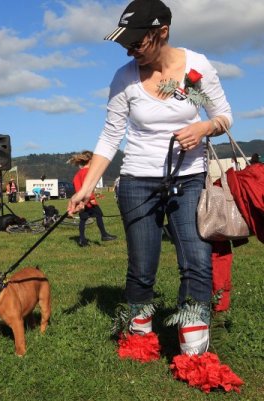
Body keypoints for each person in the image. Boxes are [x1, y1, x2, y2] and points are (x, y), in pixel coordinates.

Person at [68, 0, 232, 356]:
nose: (129, 51)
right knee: (143, 266)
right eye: (125, 44)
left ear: (162, 33)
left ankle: (194, 352)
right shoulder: (124, 78)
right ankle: (140, 339)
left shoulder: (197, 67)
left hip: (188, 178)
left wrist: (204, 127)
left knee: (196, 261)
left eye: (137, 43)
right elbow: (111, 137)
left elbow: (224, 117)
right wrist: (86, 186)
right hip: (137, 182)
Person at [68, 151, 117, 247]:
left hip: (80, 201)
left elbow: (78, 189)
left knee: (83, 220)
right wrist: (91, 199)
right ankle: (104, 235)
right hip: (88, 201)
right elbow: (87, 188)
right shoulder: (87, 173)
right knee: (99, 215)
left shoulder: (78, 174)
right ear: (90, 161)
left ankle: (82, 240)